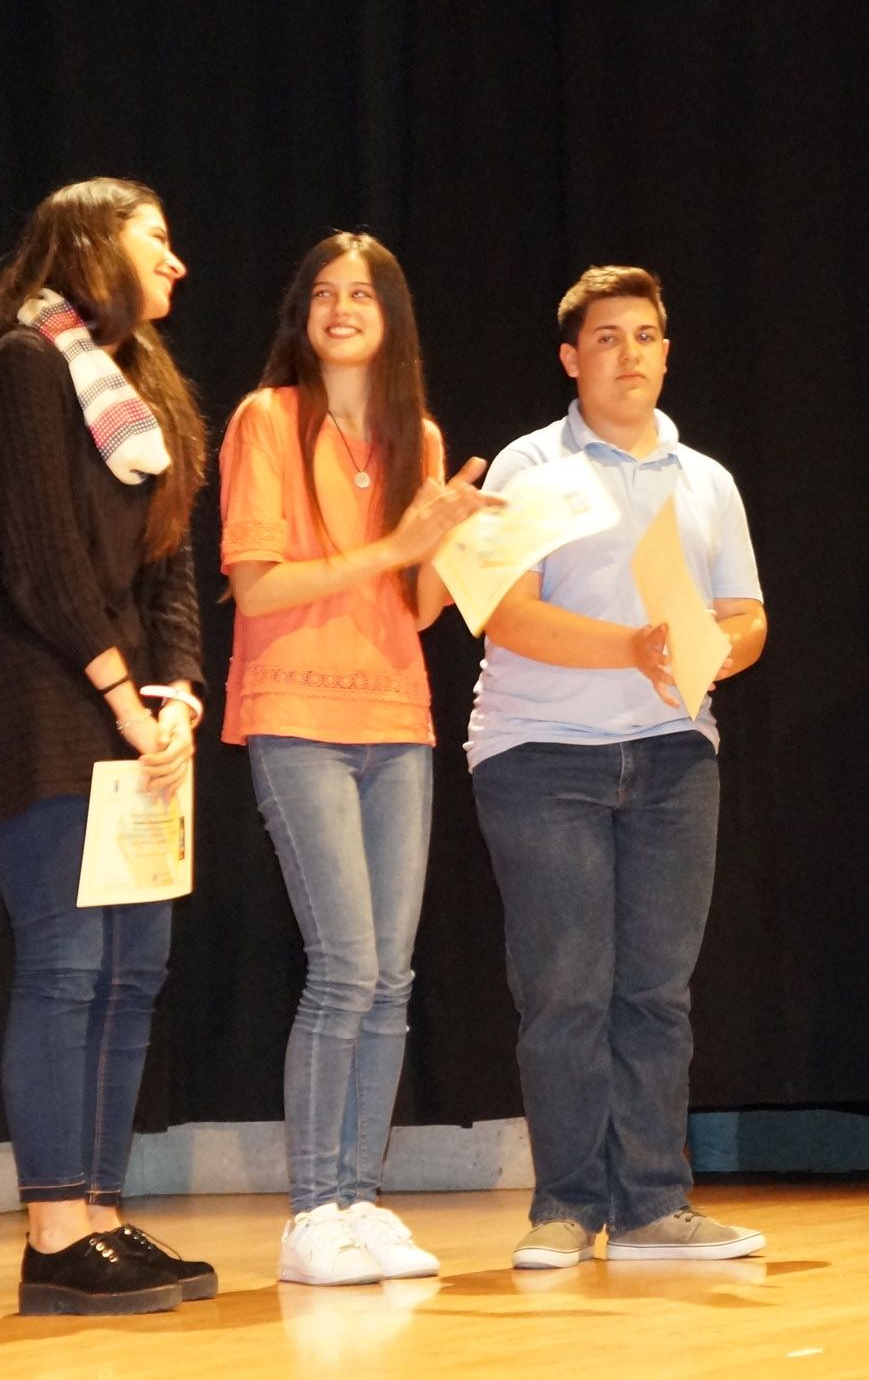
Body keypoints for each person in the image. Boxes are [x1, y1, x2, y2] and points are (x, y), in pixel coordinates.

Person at [0, 178, 214, 1314]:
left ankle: (102, 1210)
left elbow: (167, 565)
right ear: (96, 243)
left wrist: (180, 694)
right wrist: (123, 698)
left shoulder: (143, 389)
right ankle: (54, 1228)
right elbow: (46, 562)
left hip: (131, 708)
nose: (179, 264)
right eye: (160, 240)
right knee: (64, 964)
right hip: (39, 701)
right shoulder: (21, 365)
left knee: (131, 968)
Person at [467, 265, 768, 1270]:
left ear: (667, 351)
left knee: (656, 990)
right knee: (564, 988)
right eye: (607, 338)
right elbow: (502, 608)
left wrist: (715, 645)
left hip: (675, 753)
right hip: (541, 753)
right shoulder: (527, 464)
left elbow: (747, 615)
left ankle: (652, 1203)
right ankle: (563, 1203)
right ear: (570, 357)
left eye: (645, 335)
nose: (629, 353)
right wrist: (632, 646)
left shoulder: (706, 479)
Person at [218, 233, 495, 1285]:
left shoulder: (413, 437)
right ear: (301, 313)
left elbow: (418, 607)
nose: (343, 307)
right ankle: (309, 1210)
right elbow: (257, 586)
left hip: (397, 719)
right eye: (325, 292)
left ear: (392, 318)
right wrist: (392, 544)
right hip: (297, 712)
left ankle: (358, 1200)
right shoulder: (266, 418)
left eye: (363, 293)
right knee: (342, 967)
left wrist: (453, 540)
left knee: (391, 977)